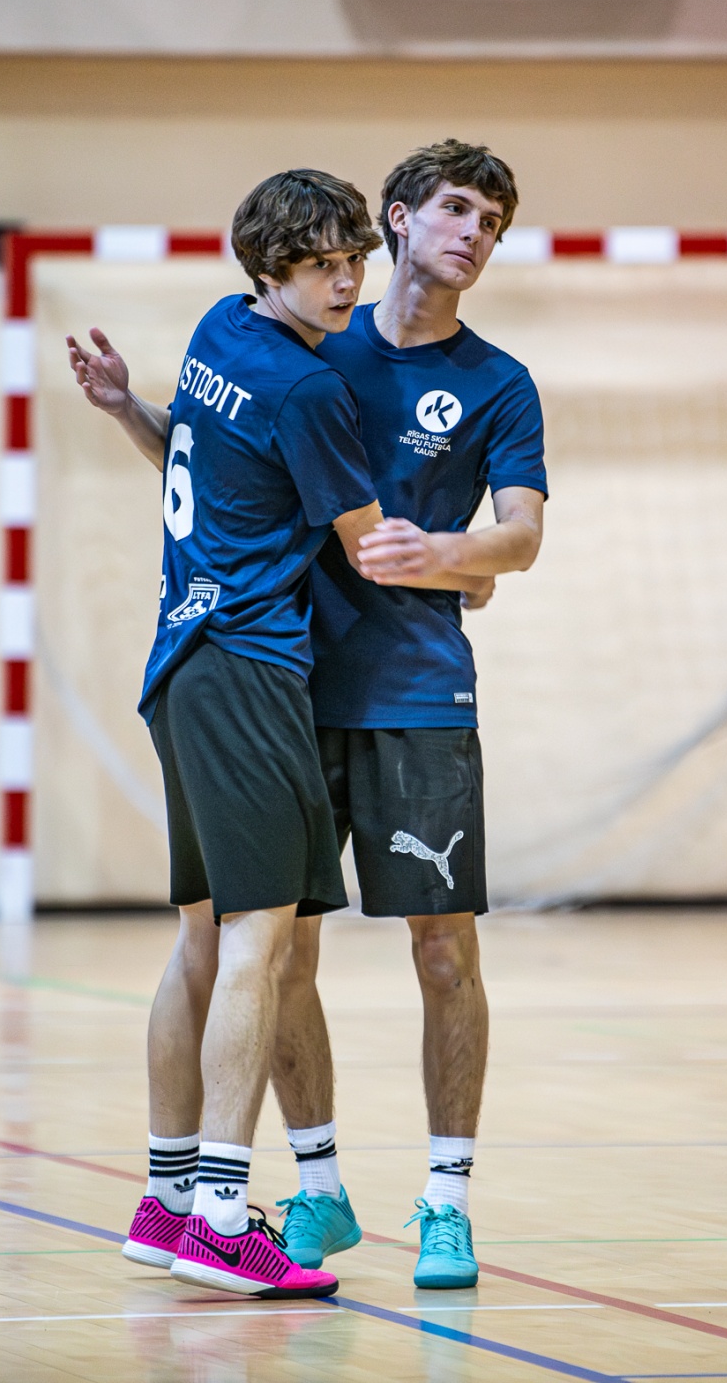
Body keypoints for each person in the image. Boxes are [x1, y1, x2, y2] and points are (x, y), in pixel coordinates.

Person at [70, 168, 455, 1300]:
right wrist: (470, 566)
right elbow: (367, 544)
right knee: (258, 943)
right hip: (247, 671)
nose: (346, 283)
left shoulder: (217, 332)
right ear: (269, 268)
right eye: (321, 265)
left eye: (355, 261)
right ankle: (224, 1218)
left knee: (203, 940)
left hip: (180, 664)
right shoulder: (309, 386)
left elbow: (200, 465)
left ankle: (165, 1200)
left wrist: (126, 410)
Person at [270, 140, 546, 1291]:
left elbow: (520, 537)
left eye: (492, 222)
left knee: (443, 951)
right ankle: (318, 1187)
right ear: (395, 219)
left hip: (421, 697)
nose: (474, 233)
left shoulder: (499, 381)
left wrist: (451, 554)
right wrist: (127, 407)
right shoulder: (313, 348)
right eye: (457, 209)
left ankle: (447, 1201)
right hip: (289, 686)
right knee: (278, 950)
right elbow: (216, 465)